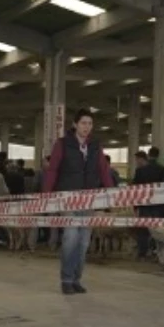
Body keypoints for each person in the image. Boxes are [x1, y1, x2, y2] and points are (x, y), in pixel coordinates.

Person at [43, 108, 112, 295]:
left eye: (90, 124)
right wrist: (47, 196)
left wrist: (111, 194)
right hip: (67, 199)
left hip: (89, 200)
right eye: (83, 123)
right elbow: (53, 170)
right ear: (75, 124)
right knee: (71, 238)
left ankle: (76, 279)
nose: (86, 127)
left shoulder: (96, 146)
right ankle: (66, 279)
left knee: (83, 243)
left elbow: (104, 170)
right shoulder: (62, 144)